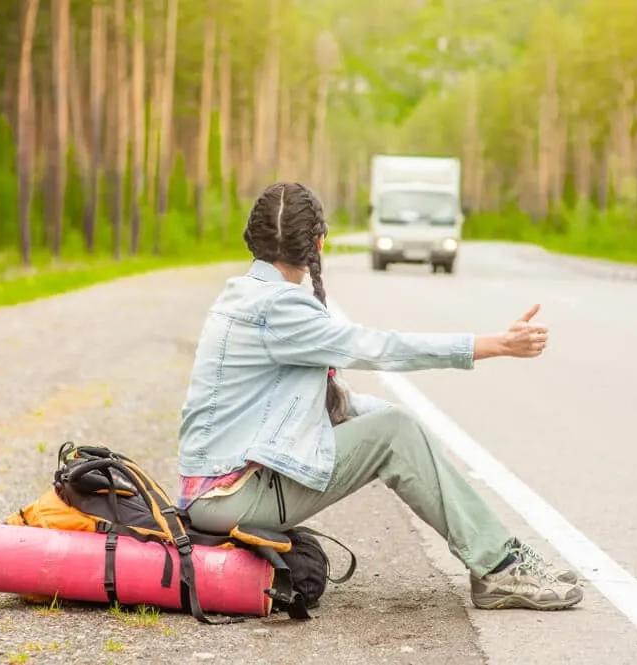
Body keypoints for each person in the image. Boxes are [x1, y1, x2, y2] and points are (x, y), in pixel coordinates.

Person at [177, 182, 582, 611]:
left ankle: (498, 555)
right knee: (396, 431)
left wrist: (405, 434)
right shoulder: (278, 308)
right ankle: (498, 568)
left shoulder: (243, 296)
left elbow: (339, 405)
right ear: (319, 243)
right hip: (231, 497)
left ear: (252, 239)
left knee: (397, 428)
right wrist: (490, 345)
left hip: (214, 496)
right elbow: (381, 347)